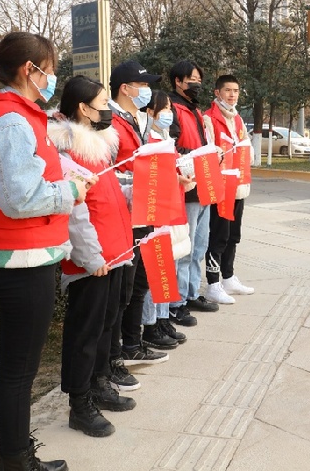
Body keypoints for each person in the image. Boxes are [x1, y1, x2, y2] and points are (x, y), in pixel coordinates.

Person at [0, 31, 86, 470]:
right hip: (22, 260)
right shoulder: (12, 121)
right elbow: (18, 198)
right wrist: (70, 189)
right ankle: (15, 461)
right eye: (50, 69)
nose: (54, 77)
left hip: (27, 256)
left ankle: (16, 457)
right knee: (18, 371)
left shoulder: (20, 115)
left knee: (20, 368)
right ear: (29, 71)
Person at [49, 75, 137, 438]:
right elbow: (76, 211)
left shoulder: (98, 144)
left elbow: (112, 193)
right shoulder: (65, 149)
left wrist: (152, 187)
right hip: (92, 257)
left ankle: (100, 381)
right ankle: (79, 402)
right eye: (103, 105)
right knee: (84, 333)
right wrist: (89, 256)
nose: (108, 112)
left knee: (106, 324)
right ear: (83, 109)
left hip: (115, 249)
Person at [107, 60, 169, 388]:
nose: (146, 91)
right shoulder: (113, 122)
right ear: (125, 88)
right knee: (123, 289)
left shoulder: (133, 119)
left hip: (143, 209)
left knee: (140, 282)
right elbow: (115, 170)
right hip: (126, 213)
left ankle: (132, 343)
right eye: (141, 85)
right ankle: (115, 355)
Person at [137, 89, 190, 349]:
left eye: (170, 108)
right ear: (150, 112)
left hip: (170, 208)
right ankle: (150, 324)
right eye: (164, 108)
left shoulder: (165, 137)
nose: (169, 113)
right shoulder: (149, 138)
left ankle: (161, 317)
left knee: (166, 267)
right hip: (156, 211)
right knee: (154, 269)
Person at [168, 60, 219, 326]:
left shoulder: (195, 110)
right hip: (186, 187)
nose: (196, 83)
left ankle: (189, 294)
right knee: (184, 248)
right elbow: (172, 148)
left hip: (204, 185)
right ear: (178, 81)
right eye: (192, 79)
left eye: (199, 79)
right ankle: (175, 302)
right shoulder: (172, 109)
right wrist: (197, 157)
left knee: (199, 246)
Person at [203, 74, 254, 304]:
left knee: (233, 235)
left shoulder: (238, 120)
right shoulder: (209, 119)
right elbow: (208, 154)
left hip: (239, 186)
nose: (232, 95)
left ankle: (229, 277)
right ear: (217, 93)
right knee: (218, 236)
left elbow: (247, 148)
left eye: (235, 91)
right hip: (221, 189)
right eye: (227, 91)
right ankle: (213, 283)